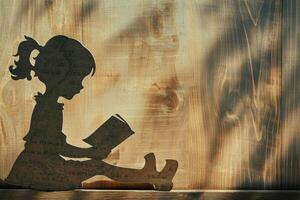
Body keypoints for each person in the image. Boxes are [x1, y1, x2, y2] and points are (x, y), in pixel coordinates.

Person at [5, 35, 178, 191]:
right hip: (38, 170)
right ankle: (149, 177)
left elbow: (52, 147)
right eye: (77, 80)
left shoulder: (48, 105)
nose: (80, 87)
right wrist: (89, 152)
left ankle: (148, 178)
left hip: (40, 167)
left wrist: (90, 153)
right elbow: (53, 147)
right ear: (60, 75)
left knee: (95, 170)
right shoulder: (47, 108)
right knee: (98, 167)